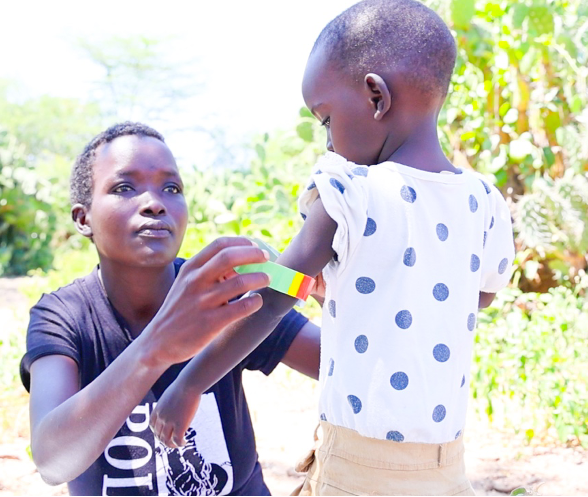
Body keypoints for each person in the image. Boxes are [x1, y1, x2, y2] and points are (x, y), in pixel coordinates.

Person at [150, 1, 516, 495]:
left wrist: (191, 382)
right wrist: (351, 287)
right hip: (445, 464)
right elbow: (477, 295)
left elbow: (285, 289)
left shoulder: (349, 188)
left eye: (324, 119)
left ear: (375, 97)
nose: (327, 143)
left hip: (357, 466)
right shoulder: (484, 200)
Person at [20, 122, 322, 496]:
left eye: (172, 188)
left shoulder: (219, 290)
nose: (154, 202)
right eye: (124, 187)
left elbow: (343, 366)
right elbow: (53, 461)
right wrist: (155, 348)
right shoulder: (64, 316)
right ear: (84, 219)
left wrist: (326, 293)